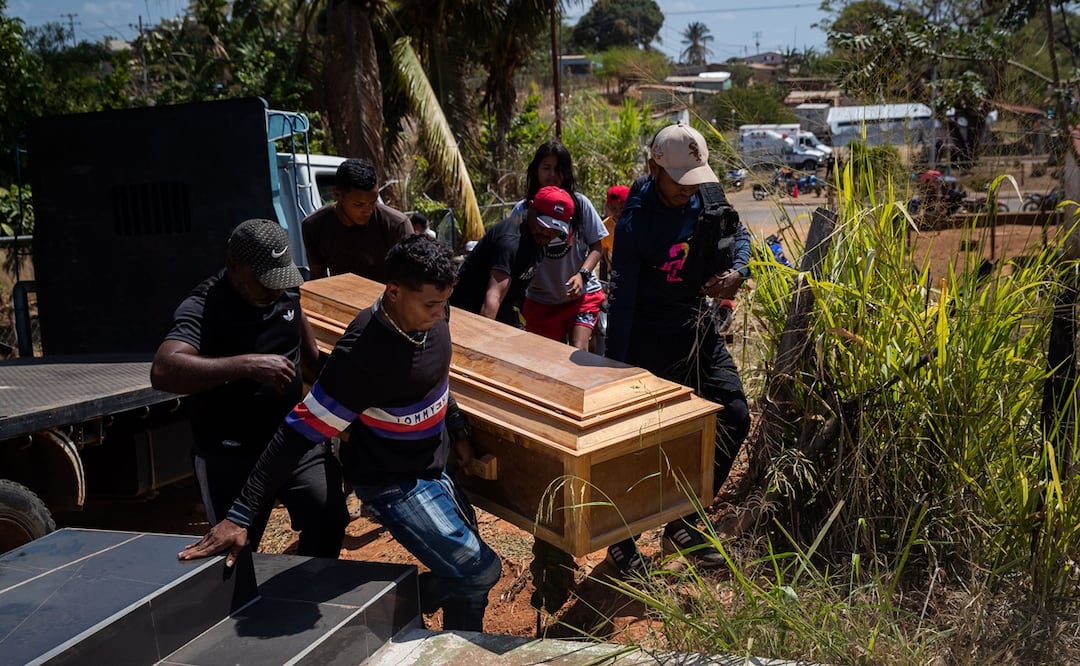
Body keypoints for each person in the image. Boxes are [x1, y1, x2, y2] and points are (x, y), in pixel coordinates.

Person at [177, 234, 502, 632]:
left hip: (433, 469)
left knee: (469, 584)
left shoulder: (434, 313)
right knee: (478, 572)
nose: (440, 314)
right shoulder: (360, 359)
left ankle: (458, 648)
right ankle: (379, 608)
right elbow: (296, 433)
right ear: (394, 292)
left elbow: (436, 376)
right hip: (394, 484)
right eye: (431, 304)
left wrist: (456, 428)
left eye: (444, 302)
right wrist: (240, 514)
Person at [151, 218, 347, 558]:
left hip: (293, 440)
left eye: (281, 278)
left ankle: (306, 592)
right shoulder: (204, 306)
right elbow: (164, 369)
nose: (276, 289)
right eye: (265, 280)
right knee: (236, 550)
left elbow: (312, 360)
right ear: (233, 266)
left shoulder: (287, 292)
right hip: (230, 452)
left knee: (328, 516)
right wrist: (245, 366)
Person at [605, 122, 752, 575]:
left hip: (696, 325)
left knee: (733, 414)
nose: (686, 192)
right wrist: (616, 370)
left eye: (693, 181)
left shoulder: (705, 194)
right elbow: (622, 299)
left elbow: (738, 234)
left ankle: (685, 521)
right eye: (677, 182)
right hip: (645, 337)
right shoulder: (635, 220)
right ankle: (620, 540)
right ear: (655, 167)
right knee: (641, 441)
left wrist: (737, 273)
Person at [517, 141, 607, 351]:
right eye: (546, 168)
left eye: (558, 170)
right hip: (541, 299)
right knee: (547, 360)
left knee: (577, 352)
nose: (552, 175)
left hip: (581, 295)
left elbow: (597, 245)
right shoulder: (523, 211)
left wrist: (582, 275)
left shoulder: (580, 205)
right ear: (535, 171)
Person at [449, 185, 573, 327]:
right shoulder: (511, 242)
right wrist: (481, 340)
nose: (547, 233)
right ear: (531, 207)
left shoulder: (538, 235)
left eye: (554, 229)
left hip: (504, 311)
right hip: (471, 313)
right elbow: (493, 297)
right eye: (543, 225)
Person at [302, 157, 413, 280]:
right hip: (340, 296)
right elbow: (317, 279)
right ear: (338, 195)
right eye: (359, 204)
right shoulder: (314, 226)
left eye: (373, 202)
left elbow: (410, 281)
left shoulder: (396, 225)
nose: (368, 210)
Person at [599, 184, 629, 281]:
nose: (618, 213)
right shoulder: (605, 226)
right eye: (614, 209)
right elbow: (604, 251)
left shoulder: (636, 223)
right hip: (615, 268)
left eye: (621, 208)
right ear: (608, 206)